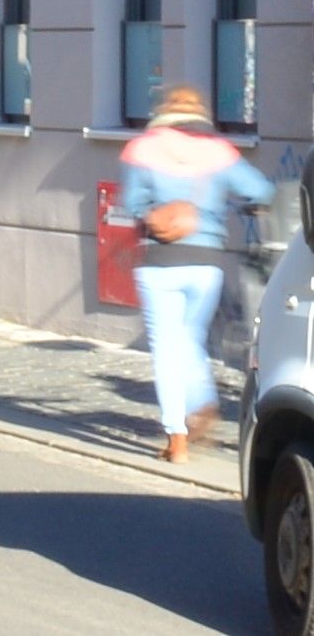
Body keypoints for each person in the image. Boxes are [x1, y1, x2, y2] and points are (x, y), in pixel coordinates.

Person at [119, 84, 271, 461]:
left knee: (166, 349)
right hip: (206, 263)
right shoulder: (218, 152)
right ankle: (202, 402)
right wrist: (233, 211)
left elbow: (131, 203)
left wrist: (155, 212)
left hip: (159, 262)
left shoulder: (143, 148)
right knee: (191, 339)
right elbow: (261, 190)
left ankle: (177, 438)